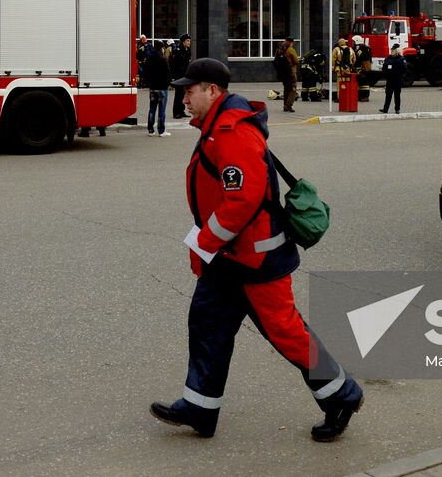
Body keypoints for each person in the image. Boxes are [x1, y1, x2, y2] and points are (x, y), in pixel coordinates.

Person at [150, 58, 364, 442]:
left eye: (190, 89)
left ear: (212, 91)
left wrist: (204, 242)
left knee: (287, 333)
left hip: (255, 259)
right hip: (231, 259)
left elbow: (243, 199)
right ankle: (200, 407)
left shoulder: (231, 131)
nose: (184, 96)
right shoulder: (217, 126)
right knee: (208, 326)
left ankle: (342, 395)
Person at [142, 40, 172, 136]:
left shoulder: (149, 58)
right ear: (161, 48)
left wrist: (149, 83)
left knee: (152, 109)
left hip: (153, 87)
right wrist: (167, 84)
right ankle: (161, 130)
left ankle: (150, 130)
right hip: (162, 87)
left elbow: (145, 72)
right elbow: (168, 74)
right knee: (162, 110)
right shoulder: (163, 59)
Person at [169, 34, 193, 121]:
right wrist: (174, 77)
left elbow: (188, 63)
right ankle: (176, 112)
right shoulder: (178, 50)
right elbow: (174, 65)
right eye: (187, 41)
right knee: (178, 94)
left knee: (183, 94)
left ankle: (181, 111)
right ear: (183, 42)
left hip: (185, 75)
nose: (189, 42)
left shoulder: (187, 50)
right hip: (179, 76)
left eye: (189, 41)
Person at [380, 44, 408, 114]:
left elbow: (404, 69)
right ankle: (385, 109)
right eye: (391, 50)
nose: (391, 52)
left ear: (397, 51)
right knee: (388, 95)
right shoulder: (388, 58)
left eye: (393, 51)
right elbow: (384, 68)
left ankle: (397, 109)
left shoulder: (401, 59)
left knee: (397, 95)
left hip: (397, 80)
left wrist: (400, 75)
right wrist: (386, 74)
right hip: (390, 80)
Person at [280, 37, 300, 112]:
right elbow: (296, 61)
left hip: (283, 72)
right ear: (291, 42)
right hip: (291, 72)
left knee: (286, 89)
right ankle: (288, 106)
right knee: (292, 89)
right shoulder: (291, 50)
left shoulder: (281, 49)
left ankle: (285, 105)